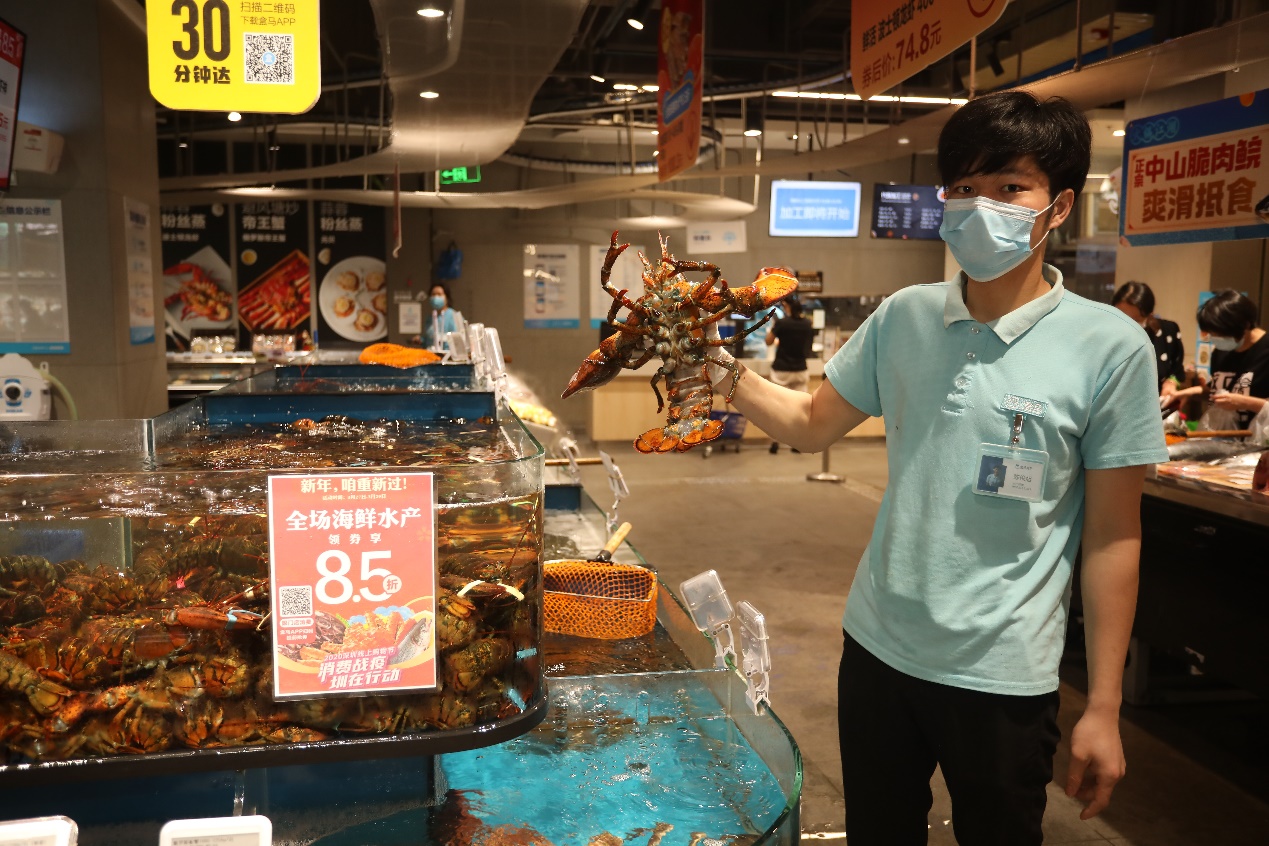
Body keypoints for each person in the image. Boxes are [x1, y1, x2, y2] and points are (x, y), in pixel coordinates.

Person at [704, 90, 1167, 844]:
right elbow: (811, 423)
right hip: (877, 646)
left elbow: (1114, 536)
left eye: (1010, 186)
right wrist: (714, 367)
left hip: (1003, 669)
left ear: (1058, 206)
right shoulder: (904, 315)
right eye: (963, 187)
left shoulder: (1110, 347)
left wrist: (1104, 704)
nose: (981, 206)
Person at [1172, 290, 1269, 429]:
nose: (1215, 338)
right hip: (1221, 437)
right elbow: (1217, 390)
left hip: (1258, 439)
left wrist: (1245, 402)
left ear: (1245, 325)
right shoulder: (1221, 351)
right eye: (1211, 332)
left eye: (1220, 332)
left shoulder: (1265, 350)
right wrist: (1188, 393)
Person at [1111, 281, 1185, 399]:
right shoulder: (1106, 335)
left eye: (1135, 320)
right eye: (1120, 317)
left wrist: (1171, 382)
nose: (1126, 324)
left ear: (1149, 315)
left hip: (1156, 406)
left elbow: (1177, 370)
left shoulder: (1167, 332)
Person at [764, 294, 815, 454]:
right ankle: (797, 443)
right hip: (800, 370)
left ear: (787, 306)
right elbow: (808, 346)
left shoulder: (782, 323)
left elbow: (768, 341)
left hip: (781, 371)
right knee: (799, 409)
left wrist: (777, 335)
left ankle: (775, 443)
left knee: (777, 408)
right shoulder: (807, 324)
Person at [414, 282, 460, 351]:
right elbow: (430, 339)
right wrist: (421, 340)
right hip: (431, 354)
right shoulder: (430, 318)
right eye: (433, 294)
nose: (436, 297)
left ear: (446, 297)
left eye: (439, 294)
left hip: (448, 355)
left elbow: (458, 340)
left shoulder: (453, 316)